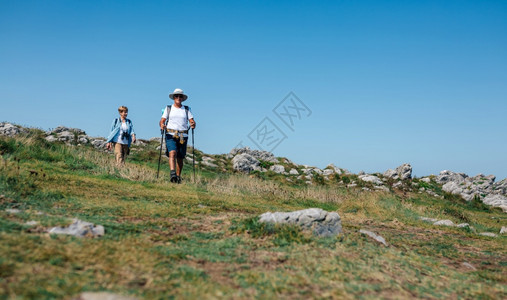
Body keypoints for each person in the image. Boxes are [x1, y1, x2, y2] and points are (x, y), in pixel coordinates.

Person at [159, 88, 196, 183]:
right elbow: (162, 120)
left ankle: (178, 176)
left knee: (180, 157)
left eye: (180, 96)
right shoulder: (168, 108)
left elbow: (192, 121)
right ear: (173, 97)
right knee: (172, 153)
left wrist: (193, 124)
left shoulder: (187, 109)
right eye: (176, 96)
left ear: (182, 98)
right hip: (170, 134)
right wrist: (162, 125)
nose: (178, 98)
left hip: (183, 136)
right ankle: (173, 174)